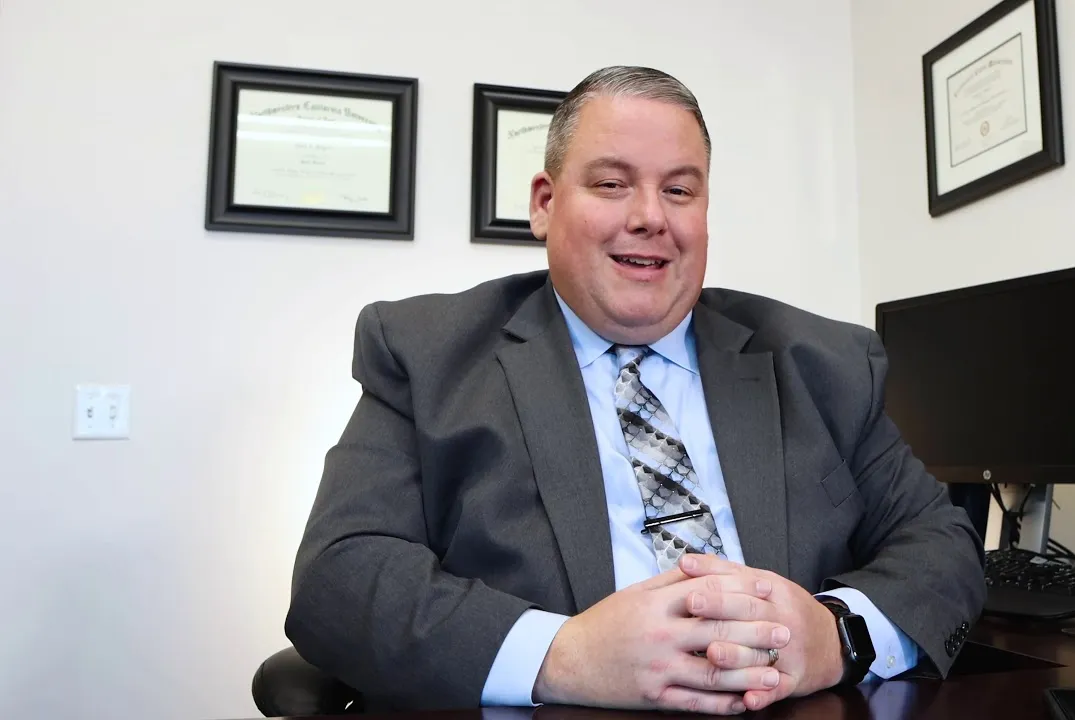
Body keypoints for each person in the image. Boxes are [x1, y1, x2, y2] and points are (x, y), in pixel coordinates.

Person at [284, 65, 986, 715]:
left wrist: (839, 637)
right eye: (612, 183)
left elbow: (941, 545)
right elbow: (340, 578)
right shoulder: (427, 352)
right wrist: (564, 657)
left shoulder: (822, 363)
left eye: (679, 190)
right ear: (544, 204)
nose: (651, 215)